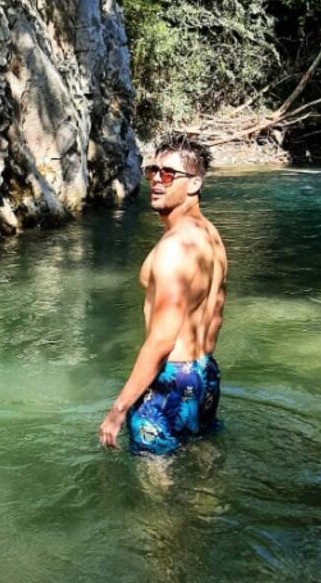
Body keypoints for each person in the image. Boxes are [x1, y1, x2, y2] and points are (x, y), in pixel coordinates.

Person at [99, 134, 228, 454]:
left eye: (169, 173)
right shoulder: (210, 235)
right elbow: (217, 310)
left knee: (153, 476)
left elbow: (162, 340)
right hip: (204, 371)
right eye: (152, 171)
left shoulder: (175, 248)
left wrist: (118, 410)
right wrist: (195, 374)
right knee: (202, 458)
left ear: (194, 184)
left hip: (170, 380)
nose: (157, 179)